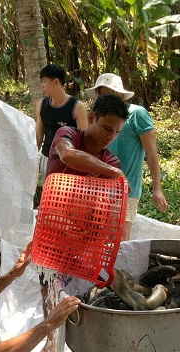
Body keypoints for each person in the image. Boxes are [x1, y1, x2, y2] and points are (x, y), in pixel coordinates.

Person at [85, 73, 168, 240]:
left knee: (120, 240)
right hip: (99, 186)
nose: (106, 98)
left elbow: (151, 152)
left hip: (126, 189)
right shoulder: (98, 117)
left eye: (110, 93)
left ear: (121, 95)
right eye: (102, 94)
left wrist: (157, 189)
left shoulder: (137, 114)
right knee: (96, 237)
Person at [45, 93, 129, 182]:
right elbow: (68, 155)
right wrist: (113, 171)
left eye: (117, 132)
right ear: (92, 118)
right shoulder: (68, 133)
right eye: (107, 128)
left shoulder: (111, 161)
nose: (111, 137)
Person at [34, 64, 89, 183]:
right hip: (47, 158)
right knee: (48, 197)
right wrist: (32, 158)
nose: (42, 86)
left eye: (44, 81)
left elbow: (84, 141)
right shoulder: (41, 104)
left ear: (56, 81)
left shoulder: (77, 107)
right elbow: (38, 136)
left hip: (68, 162)